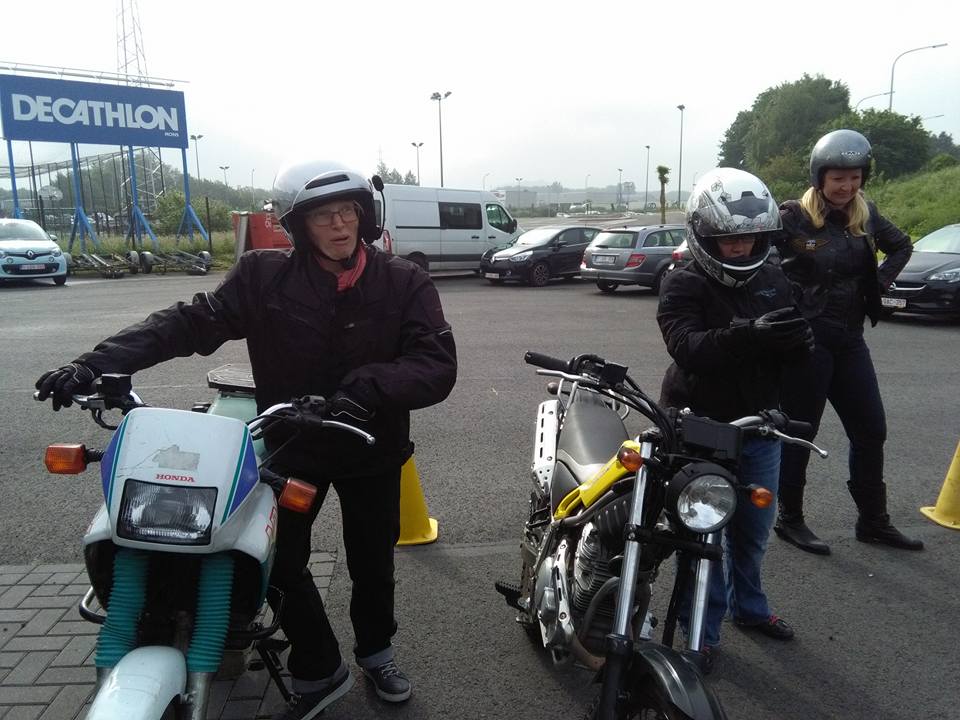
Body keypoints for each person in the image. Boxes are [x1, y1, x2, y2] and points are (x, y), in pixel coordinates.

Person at [35, 161, 458, 719]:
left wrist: (367, 389)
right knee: (276, 562)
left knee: (372, 564)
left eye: (348, 212)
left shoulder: (403, 280)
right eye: (324, 217)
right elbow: (189, 322)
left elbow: (435, 363)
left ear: (365, 215)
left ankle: (377, 654)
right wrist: (95, 363)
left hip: (368, 445)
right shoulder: (263, 276)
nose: (339, 225)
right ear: (298, 227)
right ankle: (319, 667)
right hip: (290, 446)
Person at [658, 167, 814, 670]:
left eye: (749, 237)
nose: (741, 247)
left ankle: (751, 608)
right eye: (729, 239)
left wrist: (799, 344)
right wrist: (752, 334)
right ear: (704, 236)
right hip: (699, 427)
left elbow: (788, 349)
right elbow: (688, 348)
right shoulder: (682, 282)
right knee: (701, 536)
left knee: (753, 531)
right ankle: (700, 634)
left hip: (760, 426)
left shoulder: (773, 278)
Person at [773, 129, 923, 554]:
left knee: (872, 430)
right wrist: (788, 302)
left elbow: (901, 246)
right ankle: (790, 519)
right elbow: (762, 263)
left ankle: (873, 521)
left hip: (850, 339)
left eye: (855, 177)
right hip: (807, 342)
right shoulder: (792, 217)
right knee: (801, 432)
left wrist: (877, 285)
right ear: (819, 176)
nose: (847, 186)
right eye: (838, 178)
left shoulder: (866, 213)